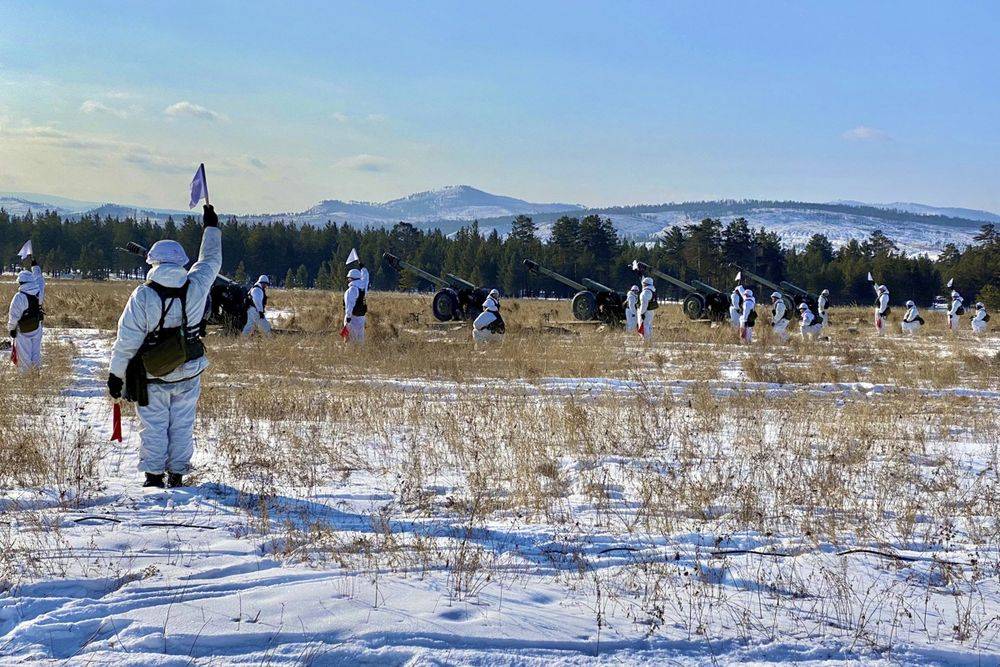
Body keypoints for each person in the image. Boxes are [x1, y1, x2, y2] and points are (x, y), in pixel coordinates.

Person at [107, 204, 221, 489]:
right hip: (189, 370)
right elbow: (210, 260)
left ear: (152, 262)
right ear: (182, 262)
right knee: (182, 424)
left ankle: (154, 476)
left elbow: (127, 341)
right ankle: (178, 473)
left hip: (153, 373)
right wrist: (211, 228)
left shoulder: (142, 296)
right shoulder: (196, 285)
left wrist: (116, 375)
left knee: (154, 425)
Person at [6, 255, 46, 372]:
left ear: (21, 282)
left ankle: (26, 378)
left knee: (24, 356)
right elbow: (40, 279)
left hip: (22, 330)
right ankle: (36, 373)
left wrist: (11, 329)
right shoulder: (38, 290)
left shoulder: (19, 297)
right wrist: (35, 265)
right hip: (37, 326)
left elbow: (13, 316)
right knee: (35, 352)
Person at [343, 262, 369, 344]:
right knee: (360, 340)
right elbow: (366, 277)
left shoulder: (351, 290)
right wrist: (363, 268)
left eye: (349, 278)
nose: (348, 279)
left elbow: (349, 305)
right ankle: (360, 354)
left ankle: (350, 354)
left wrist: (348, 318)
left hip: (352, 318)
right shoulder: (363, 287)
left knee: (350, 340)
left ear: (351, 278)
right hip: (361, 317)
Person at [637, 276, 657, 341]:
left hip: (646, 311)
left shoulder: (646, 292)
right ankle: (649, 339)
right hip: (651, 310)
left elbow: (644, 304)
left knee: (645, 326)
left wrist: (642, 313)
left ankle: (646, 341)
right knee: (649, 325)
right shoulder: (652, 290)